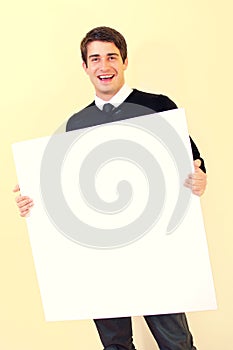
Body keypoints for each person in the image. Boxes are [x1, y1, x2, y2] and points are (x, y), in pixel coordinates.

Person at [13, 26, 207, 350]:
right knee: (115, 345)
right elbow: (64, 188)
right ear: (86, 67)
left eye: (112, 57)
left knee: (177, 343)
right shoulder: (76, 123)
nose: (105, 66)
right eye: (96, 59)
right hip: (100, 255)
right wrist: (33, 199)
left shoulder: (158, 106)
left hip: (155, 253)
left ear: (125, 61)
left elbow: (193, 161)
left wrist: (200, 177)